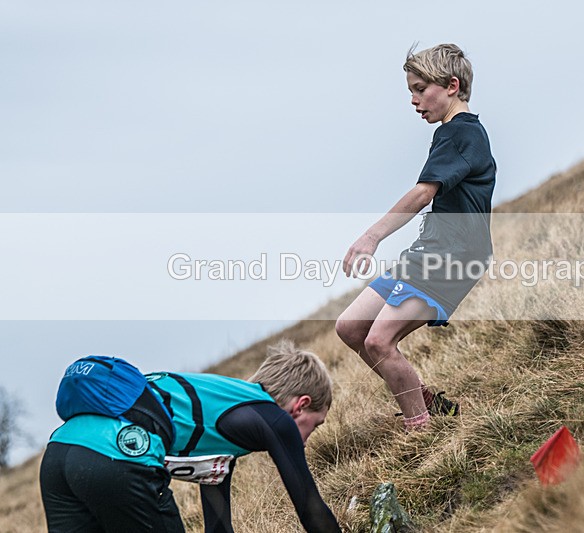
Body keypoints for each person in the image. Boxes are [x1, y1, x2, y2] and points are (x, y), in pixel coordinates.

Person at [335, 43, 496, 431]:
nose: (413, 99)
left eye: (420, 89)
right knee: (351, 327)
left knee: (378, 342)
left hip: (455, 257)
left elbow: (424, 191)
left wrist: (371, 236)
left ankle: (421, 429)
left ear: (452, 86)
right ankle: (423, 400)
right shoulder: (450, 134)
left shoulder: (462, 134)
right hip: (430, 251)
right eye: (411, 90)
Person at [39, 340, 341, 533]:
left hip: (58, 455)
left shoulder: (219, 431)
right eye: (314, 426)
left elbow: (219, 528)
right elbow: (311, 510)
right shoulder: (273, 419)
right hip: (117, 457)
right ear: (300, 406)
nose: (304, 441)